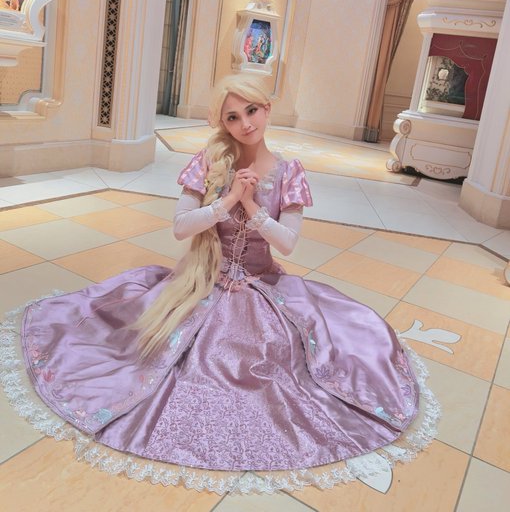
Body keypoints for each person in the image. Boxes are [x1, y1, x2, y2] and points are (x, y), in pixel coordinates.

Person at [1, 74, 438, 493]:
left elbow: (287, 244)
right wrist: (227, 200)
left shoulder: (289, 171)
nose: (245, 123)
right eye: (233, 117)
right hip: (203, 280)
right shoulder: (209, 162)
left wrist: (253, 205)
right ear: (222, 123)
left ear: (267, 110)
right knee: (158, 347)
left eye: (252, 111)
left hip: (264, 285)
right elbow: (180, 228)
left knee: (283, 359)